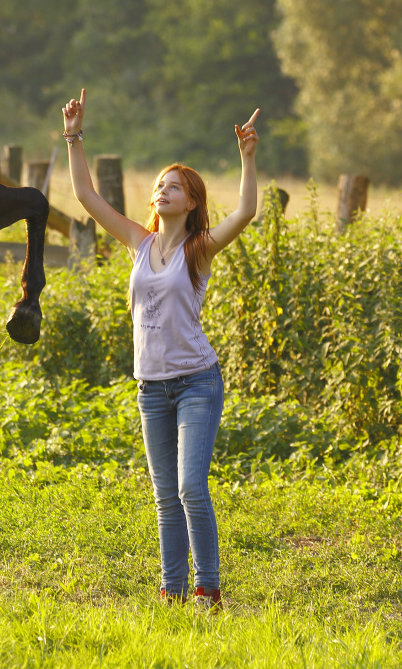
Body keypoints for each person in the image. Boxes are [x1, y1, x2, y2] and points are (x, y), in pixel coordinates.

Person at [61, 88, 260, 610]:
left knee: (192, 487)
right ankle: (172, 592)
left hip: (197, 381)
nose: (163, 192)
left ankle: (208, 588)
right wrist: (74, 136)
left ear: (192, 201)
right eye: (159, 186)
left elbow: (246, 211)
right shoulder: (138, 242)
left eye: (174, 187)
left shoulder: (200, 248)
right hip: (150, 386)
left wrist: (246, 157)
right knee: (165, 497)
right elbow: (85, 197)